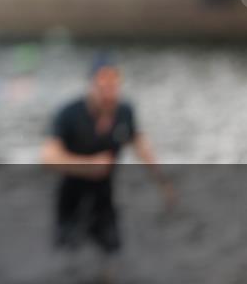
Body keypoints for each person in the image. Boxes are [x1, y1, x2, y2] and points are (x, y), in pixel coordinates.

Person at [40, 54, 175, 258]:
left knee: (112, 248)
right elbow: (47, 157)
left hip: (104, 193)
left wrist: (161, 181)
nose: (108, 90)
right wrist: (88, 165)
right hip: (71, 192)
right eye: (102, 83)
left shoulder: (124, 111)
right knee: (66, 250)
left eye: (113, 82)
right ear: (92, 84)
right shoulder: (69, 114)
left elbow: (140, 144)